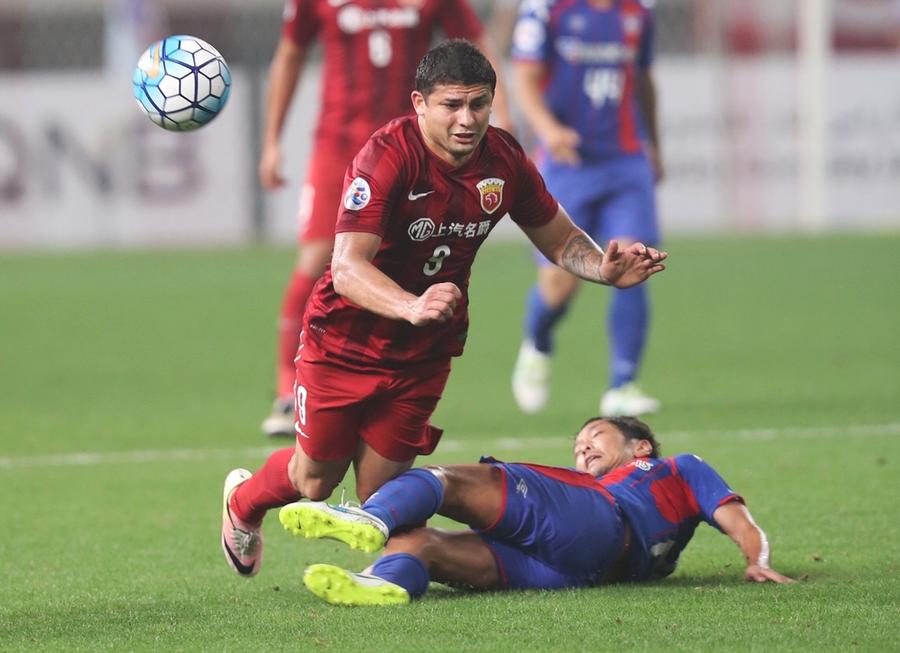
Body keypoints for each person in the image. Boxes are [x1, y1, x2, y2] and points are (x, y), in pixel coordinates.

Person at [221, 39, 666, 578]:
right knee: (314, 481)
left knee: (382, 501)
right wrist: (410, 305)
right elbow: (346, 268)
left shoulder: (503, 160)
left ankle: (406, 581)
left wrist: (604, 269)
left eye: (479, 104)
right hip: (343, 340)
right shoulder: (385, 157)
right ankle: (243, 503)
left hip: (424, 348)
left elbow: (559, 239)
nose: (467, 119)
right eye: (452, 105)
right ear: (420, 103)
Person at [259, 0, 512, 437]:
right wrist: (272, 139)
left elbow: (476, 46)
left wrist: (502, 113)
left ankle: (390, 393)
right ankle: (289, 388)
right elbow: (290, 54)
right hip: (338, 143)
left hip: (412, 150)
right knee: (320, 257)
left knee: (405, 259)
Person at [278, 416, 794, 606]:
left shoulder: (676, 469)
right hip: (573, 573)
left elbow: (739, 521)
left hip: (597, 522)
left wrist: (756, 557)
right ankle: (382, 584)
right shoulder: (604, 489)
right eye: (577, 443)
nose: (583, 447)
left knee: (449, 482)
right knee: (425, 545)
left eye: (596, 435)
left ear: (641, 447)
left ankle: (370, 517)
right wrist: (753, 563)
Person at [508, 0, 665, 417]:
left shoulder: (639, 11)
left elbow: (645, 78)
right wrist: (548, 130)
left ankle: (622, 384)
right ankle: (537, 343)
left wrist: (655, 146)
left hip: (625, 160)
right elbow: (524, 76)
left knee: (634, 260)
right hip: (567, 163)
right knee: (560, 285)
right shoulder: (547, 9)